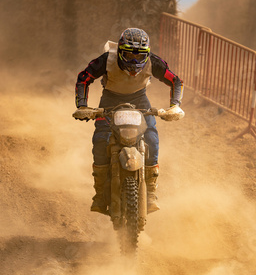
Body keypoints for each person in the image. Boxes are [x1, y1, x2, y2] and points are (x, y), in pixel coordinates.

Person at [73, 27, 184, 215]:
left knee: (152, 140)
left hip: (140, 100)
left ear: (147, 55)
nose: (134, 61)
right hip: (109, 100)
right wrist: (82, 106)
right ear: (120, 52)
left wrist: (175, 105)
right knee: (101, 140)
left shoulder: (154, 62)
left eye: (140, 57)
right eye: (129, 56)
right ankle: (100, 194)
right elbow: (84, 78)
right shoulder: (106, 59)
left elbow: (176, 81)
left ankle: (151, 193)